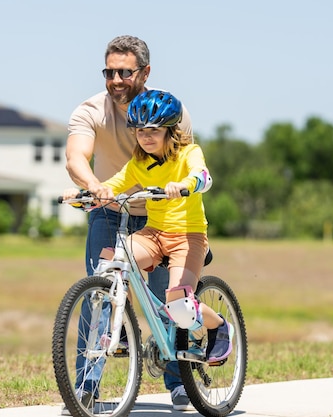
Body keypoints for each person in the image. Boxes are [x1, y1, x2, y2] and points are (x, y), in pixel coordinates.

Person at [63, 35, 194, 412]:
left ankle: (180, 380)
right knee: (98, 294)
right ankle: (87, 388)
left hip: (159, 214)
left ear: (145, 72)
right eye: (109, 72)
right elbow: (76, 156)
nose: (116, 80)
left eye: (124, 72)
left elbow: (187, 163)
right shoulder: (91, 111)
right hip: (110, 208)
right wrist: (93, 186)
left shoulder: (170, 110)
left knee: (168, 300)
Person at [66, 89, 234, 368]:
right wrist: (85, 194)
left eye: (153, 130)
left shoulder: (188, 153)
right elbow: (113, 186)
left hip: (187, 237)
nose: (146, 136)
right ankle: (120, 328)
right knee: (111, 262)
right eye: (140, 130)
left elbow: (203, 177)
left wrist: (184, 185)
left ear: (170, 130)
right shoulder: (139, 164)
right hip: (152, 234)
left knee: (179, 308)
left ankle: (218, 326)